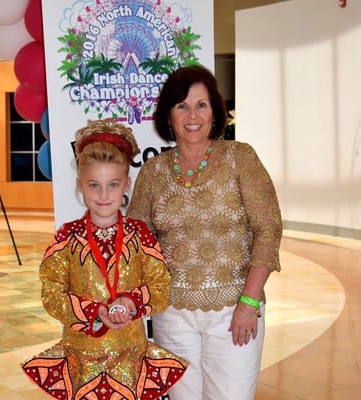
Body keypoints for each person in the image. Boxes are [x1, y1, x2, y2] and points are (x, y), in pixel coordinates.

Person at [127, 66, 282, 400]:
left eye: (201, 105)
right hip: (171, 315)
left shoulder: (240, 158)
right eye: (182, 106)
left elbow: (268, 229)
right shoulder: (153, 173)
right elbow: (137, 242)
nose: (192, 115)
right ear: (168, 115)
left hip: (234, 310)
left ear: (215, 112)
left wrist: (249, 301)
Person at [21, 120, 188, 400]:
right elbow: (51, 294)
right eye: (94, 185)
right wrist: (93, 311)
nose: (103, 195)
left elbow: (162, 288)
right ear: (80, 185)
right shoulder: (66, 239)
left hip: (131, 361)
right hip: (81, 363)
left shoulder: (140, 236)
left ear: (126, 183)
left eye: (112, 184)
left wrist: (131, 302)